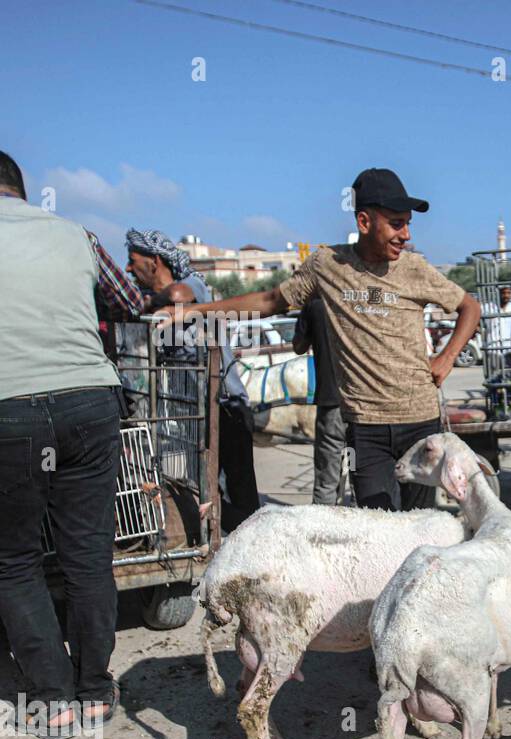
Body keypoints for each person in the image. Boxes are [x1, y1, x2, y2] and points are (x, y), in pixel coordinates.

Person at [157, 168, 481, 511]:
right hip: (364, 432)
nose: (406, 235)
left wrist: (446, 359)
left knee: (421, 522)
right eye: (397, 224)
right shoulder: (327, 265)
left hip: (421, 425)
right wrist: (193, 311)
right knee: (373, 523)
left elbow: (469, 308)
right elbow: (270, 300)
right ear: (364, 222)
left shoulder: (415, 269)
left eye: (408, 224)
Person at [0, 150, 137, 739]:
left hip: (8, 410)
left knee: (14, 561)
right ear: (21, 190)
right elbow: (129, 303)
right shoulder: (77, 234)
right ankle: (96, 693)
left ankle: (52, 700)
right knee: (88, 555)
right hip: (89, 401)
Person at [126, 228, 260, 530]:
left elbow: (177, 295)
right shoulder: (160, 304)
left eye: (133, 260)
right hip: (195, 414)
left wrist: (149, 305)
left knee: (241, 496)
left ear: (154, 261)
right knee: (205, 490)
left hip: (226, 407)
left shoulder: (192, 284)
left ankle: (253, 537)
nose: (129, 268)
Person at [292, 297, 347, 505]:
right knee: (359, 469)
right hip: (366, 404)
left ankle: (323, 521)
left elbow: (299, 346)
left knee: (327, 475)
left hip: (332, 404)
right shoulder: (366, 295)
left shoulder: (316, 303)